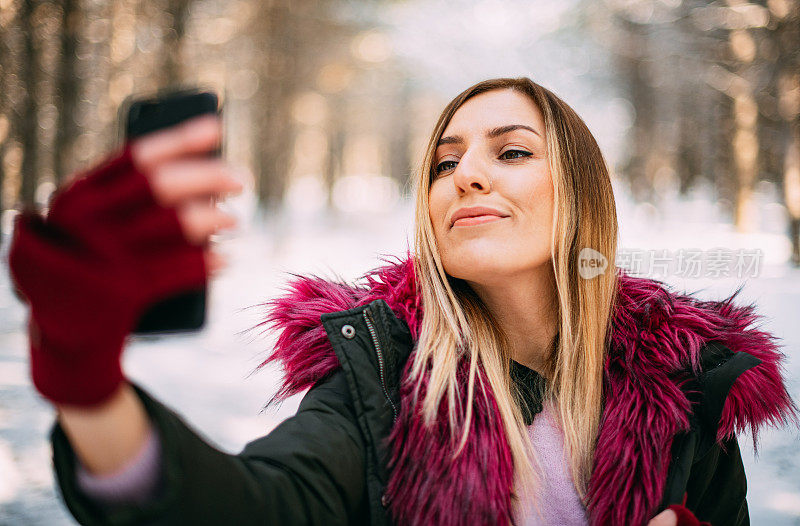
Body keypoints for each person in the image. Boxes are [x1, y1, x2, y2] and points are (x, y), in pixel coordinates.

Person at [7, 77, 798, 526]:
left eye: (511, 151)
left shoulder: (683, 389)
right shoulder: (382, 374)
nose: (466, 176)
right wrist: (83, 380)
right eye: (443, 163)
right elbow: (246, 510)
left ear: (582, 197)